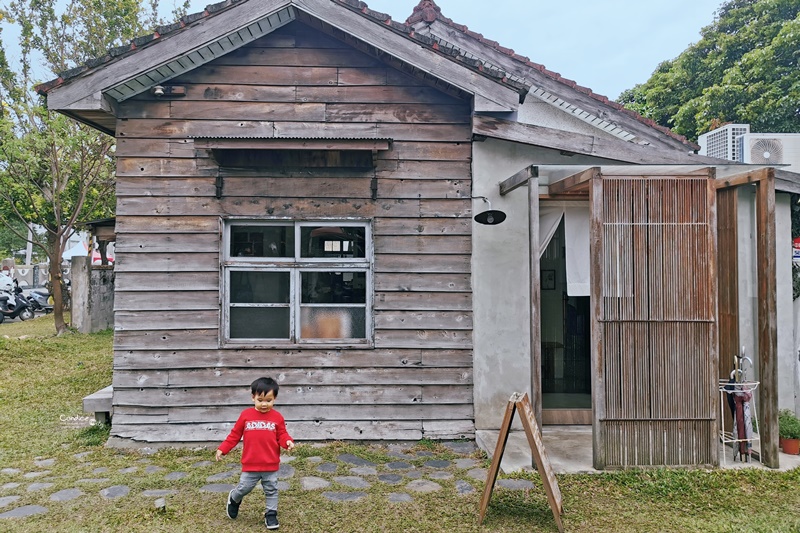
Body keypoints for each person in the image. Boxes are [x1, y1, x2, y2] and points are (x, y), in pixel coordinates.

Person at [216, 377, 295, 529]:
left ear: (275, 399)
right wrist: (223, 448)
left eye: (269, 400)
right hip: (250, 464)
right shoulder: (246, 415)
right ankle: (234, 498)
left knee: (271, 490)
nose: (264, 404)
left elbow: (282, 435)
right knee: (244, 487)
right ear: (253, 397)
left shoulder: (277, 417)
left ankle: (271, 514)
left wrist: (288, 442)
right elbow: (234, 435)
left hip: (270, 464)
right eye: (260, 400)